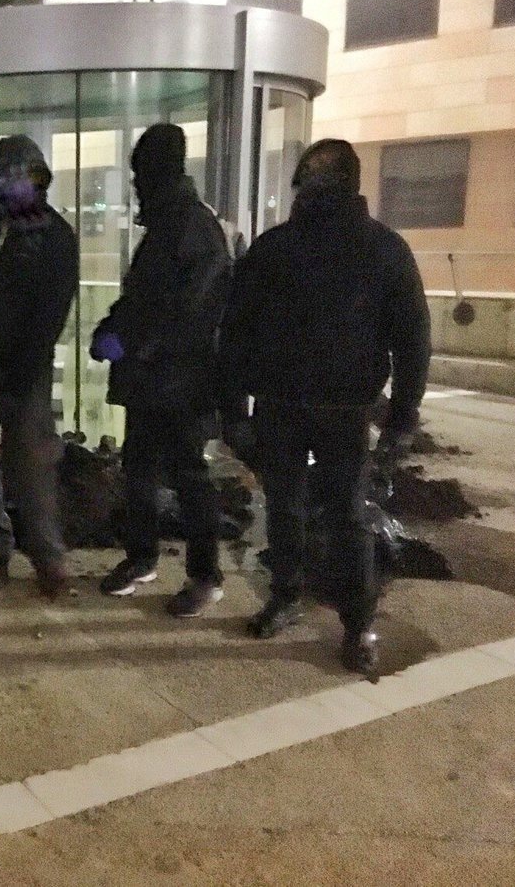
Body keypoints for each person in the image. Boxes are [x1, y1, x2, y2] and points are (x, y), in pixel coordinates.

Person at [219, 138, 431, 675]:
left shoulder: (367, 250)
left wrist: (403, 416)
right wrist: (235, 409)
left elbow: (412, 340)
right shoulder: (300, 249)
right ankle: (313, 605)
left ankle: (350, 619)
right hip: (300, 405)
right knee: (306, 510)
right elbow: (238, 333)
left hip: (332, 408)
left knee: (336, 515)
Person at [90, 123, 230, 617]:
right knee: (140, 472)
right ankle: (142, 557)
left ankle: (206, 576)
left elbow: (190, 314)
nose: (134, 185)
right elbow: (141, 301)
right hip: (152, 381)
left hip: (182, 383)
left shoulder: (193, 230)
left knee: (189, 479)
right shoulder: (170, 228)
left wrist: (133, 344)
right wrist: (112, 329)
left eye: (139, 174)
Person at [0, 135, 77, 599]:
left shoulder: (55, 236)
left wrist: (20, 378)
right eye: (8, 174)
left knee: (33, 462)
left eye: (26, 175)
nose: (17, 183)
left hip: (25, 366)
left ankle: (49, 558)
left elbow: (50, 314)